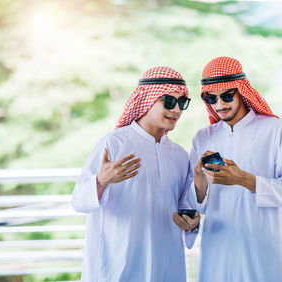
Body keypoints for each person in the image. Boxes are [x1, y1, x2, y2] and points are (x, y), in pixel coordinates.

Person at [72, 66, 200, 282]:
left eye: (182, 102)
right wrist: (101, 180)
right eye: (169, 101)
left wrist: (193, 224)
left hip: (166, 263)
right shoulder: (113, 143)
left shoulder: (179, 155)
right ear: (146, 100)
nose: (176, 109)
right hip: (119, 265)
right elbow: (78, 201)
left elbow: (185, 208)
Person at [190, 57, 282, 282]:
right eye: (211, 98)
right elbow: (196, 207)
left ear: (242, 90)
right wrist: (199, 180)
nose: (219, 104)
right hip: (217, 250)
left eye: (227, 96)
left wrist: (243, 179)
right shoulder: (203, 138)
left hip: (260, 249)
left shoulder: (274, 129)